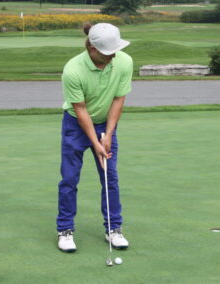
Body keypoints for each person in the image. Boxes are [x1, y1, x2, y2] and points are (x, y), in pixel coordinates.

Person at [56, 23, 133, 253]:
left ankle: (114, 228)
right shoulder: (73, 70)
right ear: (92, 49)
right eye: (107, 53)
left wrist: (108, 135)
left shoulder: (124, 61)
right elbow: (80, 109)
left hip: (106, 124)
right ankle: (65, 230)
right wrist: (95, 141)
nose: (112, 57)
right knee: (69, 179)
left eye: (114, 52)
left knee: (110, 177)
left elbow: (119, 99)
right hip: (76, 125)